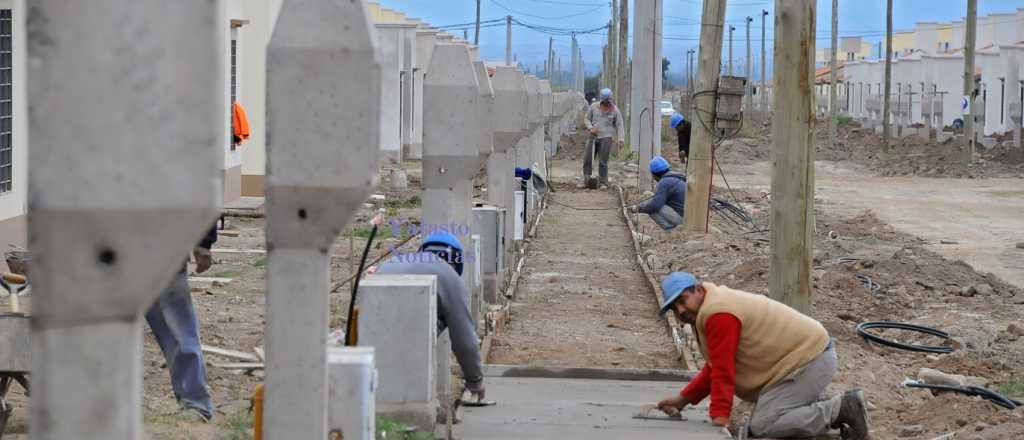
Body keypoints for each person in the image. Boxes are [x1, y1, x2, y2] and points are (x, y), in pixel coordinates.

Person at [653, 272, 870, 440]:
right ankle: (814, 404)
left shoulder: (718, 314)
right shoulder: (709, 308)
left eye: (682, 301)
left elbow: (723, 370)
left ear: (699, 290)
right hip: (796, 364)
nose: (680, 311)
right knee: (765, 420)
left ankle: (840, 408)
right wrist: (683, 400)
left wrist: (720, 420)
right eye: (674, 308)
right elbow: (715, 365)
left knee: (763, 426)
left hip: (810, 360)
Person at [375, 231, 486, 402]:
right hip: (410, 355)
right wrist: (475, 381)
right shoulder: (451, 278)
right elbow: (465, 341)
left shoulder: (391, 263)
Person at [146, 224, 218, 421]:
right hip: (107, 244)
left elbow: (202, 193)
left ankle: (195, 402)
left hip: (163, 246)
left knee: (177, 329)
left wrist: (204, 241)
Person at [581, 88, 624, 190]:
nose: (607, 104)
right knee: (588, 159)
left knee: (603, 161)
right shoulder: (594, 106)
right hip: (593, 136)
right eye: (605, 102)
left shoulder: (615, 110)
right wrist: (591, 128)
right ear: (601, 100)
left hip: (606, 138)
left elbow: (620, 125)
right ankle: (587, 179)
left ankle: (603, 182)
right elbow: (587, 118)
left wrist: (621, 139)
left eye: (608, 102)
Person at [628, 156, 686, 230]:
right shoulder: (678, 177)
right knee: (653, 203)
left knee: (653, 208)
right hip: (690, 217)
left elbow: (654, 206)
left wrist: (637, 209)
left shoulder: (664, 182)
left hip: (683, 219)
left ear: (654, 174)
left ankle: (671, 230)